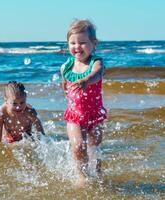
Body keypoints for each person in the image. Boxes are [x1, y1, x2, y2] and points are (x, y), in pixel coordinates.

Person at [60, 19, 107, 185]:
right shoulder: (66, 67)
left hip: (94, 114)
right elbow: (65, 86)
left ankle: (98, 173)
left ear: (94, 44)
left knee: (94, 148)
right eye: (72, 43)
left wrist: (87, 80)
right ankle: (82, 176)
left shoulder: (96, 63)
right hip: (74, 115)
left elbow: (98, 74)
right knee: (78, 146)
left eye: (82, 42)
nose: (77, 47)